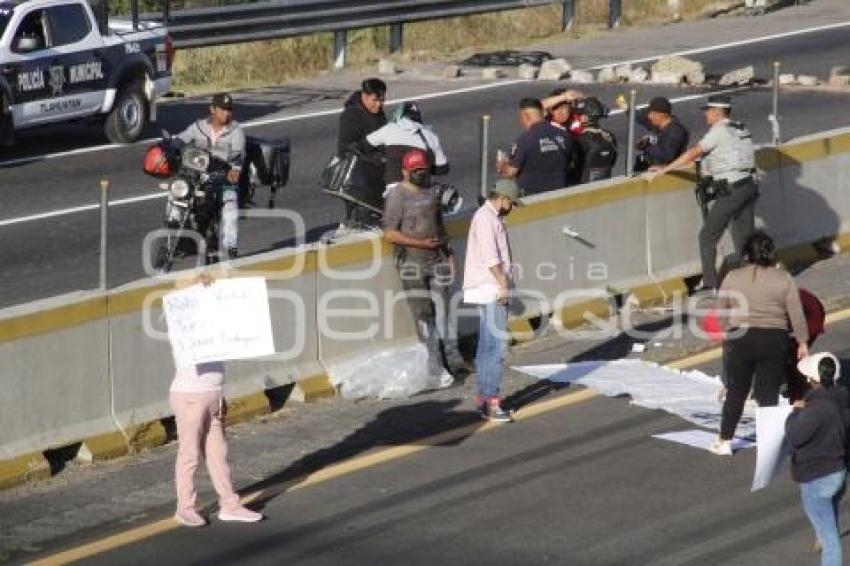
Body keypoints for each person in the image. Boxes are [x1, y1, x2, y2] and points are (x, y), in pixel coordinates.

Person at [170, 273, 263, 527]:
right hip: (190, 397)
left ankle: (230, 504)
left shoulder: (214, 324)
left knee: (218, 453)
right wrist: (196, 283)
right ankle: (185, 507)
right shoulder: (183, 322)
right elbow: (178, 292)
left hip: (213, 396)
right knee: (189, 454)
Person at [710, 231, 809, 456]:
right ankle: (768, 443)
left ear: (747, 254)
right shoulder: (784, 278)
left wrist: (727, 330)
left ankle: (725, 439)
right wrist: (802, 341)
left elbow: (721, 308)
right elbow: (796, 313)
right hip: (774, 339)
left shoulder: (733, 277)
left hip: (741, 338)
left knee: (737, 391)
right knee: (768, 392)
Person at [648, 95, 758, 291]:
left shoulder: (719, 131)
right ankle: (752, 281)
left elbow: (694, 152)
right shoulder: (740, 127)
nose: (705, 114)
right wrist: (676, 167)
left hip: (731, 190)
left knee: (707, 236)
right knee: (745, 238)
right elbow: (711, 159)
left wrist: (665, 170)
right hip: (748, 186)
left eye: (708, 110)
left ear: (717, 112)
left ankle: (710, 283)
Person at [383, 149, 467, 381]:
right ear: (405, 172)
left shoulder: (433, 190)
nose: (421, 173)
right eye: (416, 171)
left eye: (423, 169)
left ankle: (454, 359)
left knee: (444, 311)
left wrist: (449, 253)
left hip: (437, 259)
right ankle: (434, 364)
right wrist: (419, 242)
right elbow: (390, 233)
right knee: (423, 315)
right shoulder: (397, 196)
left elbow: (439, 224)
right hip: (411, 264)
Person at [463, 178, 523, 422]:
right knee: (497, 347)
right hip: (492, 289)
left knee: (487, 346)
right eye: (513, 203)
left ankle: (484, 397)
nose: (513, 208)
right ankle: (492, 401)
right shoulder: (486, 219)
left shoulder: (487, 217)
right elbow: (491, 259)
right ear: (504, 198)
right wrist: (504, 285)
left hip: (487, 288)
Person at [786, 352, 849, 566]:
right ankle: (822, 534)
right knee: (828, 509)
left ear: (813, 380)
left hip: (817, 475)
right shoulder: (843, 401)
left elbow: (795, 437)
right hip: (839, 471)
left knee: (829, 536)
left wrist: (795, 413)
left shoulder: (816, 409)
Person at [176, 93, 245, 260]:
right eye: (223, 109)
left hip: (222, 181)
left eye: (229, 110)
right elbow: (180, 140)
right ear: (212, 109)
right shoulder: (198, 127)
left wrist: (234, 170)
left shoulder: (236, 133)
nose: (227, 113)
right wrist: (170, 147)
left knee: (230, 208)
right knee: (176, 197)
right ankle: (178, 242)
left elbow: (238, 160)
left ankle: (231, 249)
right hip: (197, 178)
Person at [496, 98, 576, 196]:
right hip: (560, 194)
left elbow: (510, 172)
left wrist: (501, 166)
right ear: (543, 113)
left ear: (525, 116)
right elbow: (570, 162)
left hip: (532, 196)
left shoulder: (524, 140)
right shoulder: (564, 136)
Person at [337, 78, 388, 228]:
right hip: (358, 178)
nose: (379, 104)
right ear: (365, 96)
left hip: (375, 173)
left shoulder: (375, 110)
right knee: (363, 220)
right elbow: (346, 149)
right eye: (375, 100)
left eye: (382, 100)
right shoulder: (352, 115)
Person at [361, 101, 449, 188]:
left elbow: (362, 145)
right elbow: (443, 168)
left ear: (399, 115)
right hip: (421, 191)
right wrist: (424, 168)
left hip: (393, 190)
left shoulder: (389, 129)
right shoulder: (431, 136)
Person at [618, 96, 689, 172]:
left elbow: (666, 156)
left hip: (664, 174)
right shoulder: (658, 124)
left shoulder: (676, 132)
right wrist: (625, 107)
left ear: (661, 115)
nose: (649, 116)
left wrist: (646, 145)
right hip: (650, 168)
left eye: (652, 114)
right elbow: (641, 118)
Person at [572, 97, 618, 183]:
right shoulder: (610, 136)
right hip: (605, 181)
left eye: (579, 115)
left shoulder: (581, 138)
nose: (577, 117)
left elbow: (574, 163)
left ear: (585, 118)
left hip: (582, 184)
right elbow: (613, 160)